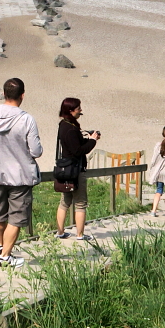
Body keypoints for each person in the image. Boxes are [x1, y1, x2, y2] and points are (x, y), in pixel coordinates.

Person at [0, 77, 42, 268]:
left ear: (4, 94)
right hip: (20, 176)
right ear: (22, 95)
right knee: (16, 217)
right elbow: (36, 151)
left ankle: (0, 247)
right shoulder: (26, 119)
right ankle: (5, 256)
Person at [54, 97, 99, 241]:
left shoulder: (63, 125)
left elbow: (74, 146)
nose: (81, 111)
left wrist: (89, 138)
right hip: (75, 170)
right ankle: (80, 234)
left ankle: (60, 232)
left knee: (64, 202)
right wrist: (92, 141)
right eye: (78, 108)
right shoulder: (71, 129)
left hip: (65, 169)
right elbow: (79, 151)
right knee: (80, 203)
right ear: (71, 110)